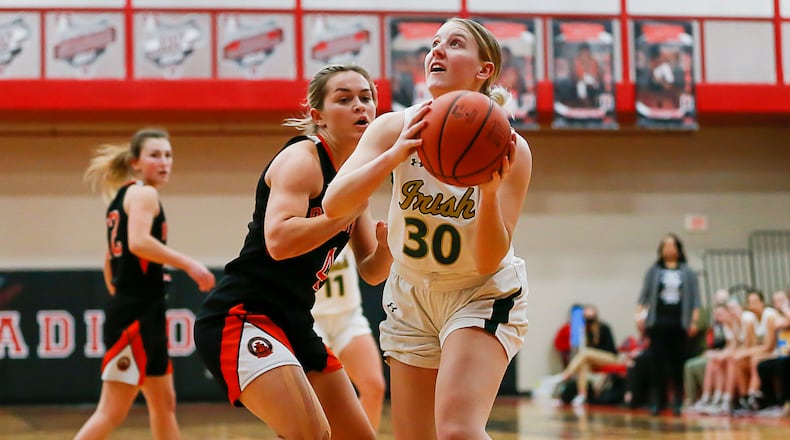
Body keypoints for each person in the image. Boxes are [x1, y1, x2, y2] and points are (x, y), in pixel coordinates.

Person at [323, 17, 532, 440]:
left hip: (479, 291)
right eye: (433, 44)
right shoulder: (394, 127)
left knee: (456, 430)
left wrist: (488, 193)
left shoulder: (511, 148)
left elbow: (490, 257)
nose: (436, 51)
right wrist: (394, 155)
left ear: (483, 69)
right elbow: (334, 203)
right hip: (410, 292)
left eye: (454, 44)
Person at [193, 64, 390, 440]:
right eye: (344, 99)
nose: (359, 106)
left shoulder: (354, 178)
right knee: (310, 433)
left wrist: (388, 248)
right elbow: (279, 242)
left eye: (366, 98)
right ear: (318, 116)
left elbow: (371, 271)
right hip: (243, 314)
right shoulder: (303, 159)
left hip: (295, 320)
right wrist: (343, 213)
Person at [76, 128, 216, 440]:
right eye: (155, 155)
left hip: (143, 310)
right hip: (136, 314)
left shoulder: (123, 197)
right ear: (136, 162)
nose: (164, 162)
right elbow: (138, 242)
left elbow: (108, 260)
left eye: (168, 155)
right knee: (111, 411)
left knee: (164, 404)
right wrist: (189, 264)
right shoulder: (143, 194)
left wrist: (124, 294)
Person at [312, 246, 386, 431]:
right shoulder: (299, 219)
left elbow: (368, 248)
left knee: (374, 387)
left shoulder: (346, 220)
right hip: (311, 318)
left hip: (348, 316)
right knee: (320, 400)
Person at [636, 233, 701, 416]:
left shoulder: (688, 272)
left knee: (677, 362)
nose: (669, 249)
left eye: (673, 246)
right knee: (657, 363)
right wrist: (639, 316)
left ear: (679, 250)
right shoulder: (654, 271)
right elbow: (644, 296)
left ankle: (678, 401)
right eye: (666, 246)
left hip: (679, 323)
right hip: (657, 323)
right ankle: (658, 400)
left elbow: (696, 299)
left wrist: (694, 320)